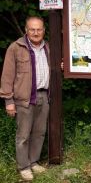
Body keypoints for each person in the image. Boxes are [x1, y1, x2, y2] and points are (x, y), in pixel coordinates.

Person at [0, 16, 50, 181]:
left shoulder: (48, 47)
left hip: (44, 95)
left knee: (39, 132)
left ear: (44, 30)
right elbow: (7, 76)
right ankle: (24, 166)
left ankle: (33, 161)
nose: (36, 33)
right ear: (26, 30)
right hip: (24, 98)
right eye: (32, 29)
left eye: (39, 29)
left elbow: (55, 67)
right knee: (23, 136)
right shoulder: (16, 47)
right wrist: (9, 101)